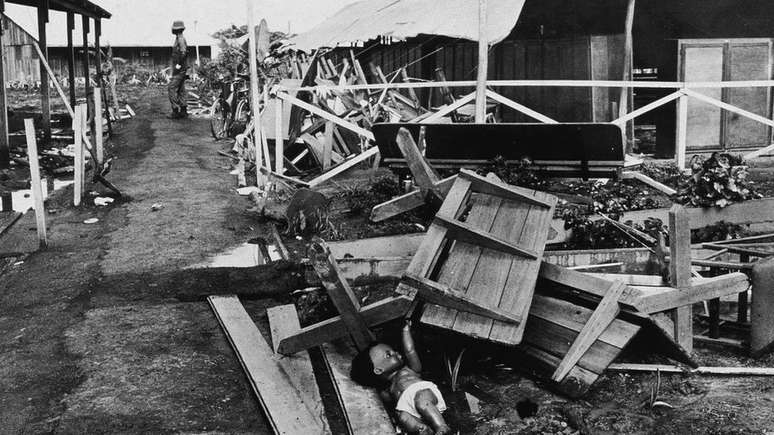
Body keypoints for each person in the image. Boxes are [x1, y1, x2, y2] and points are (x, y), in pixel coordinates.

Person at [351, 321, 451, 435]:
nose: (396, 353)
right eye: (389, 354)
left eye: (393, 351)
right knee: (403, 416)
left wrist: (405, 331)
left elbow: (410, 350)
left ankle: (442, 427)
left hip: (425, 395)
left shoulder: (410, 370)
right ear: (378, 370)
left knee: (421, 400)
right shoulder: (388, 390)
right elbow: (386, 402)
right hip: (409, 408)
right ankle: (422, 429)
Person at [167, 20, 188, 119]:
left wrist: (179, 64)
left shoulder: (180, 39)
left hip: (180, 69)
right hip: (181, 69)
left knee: (171, 88)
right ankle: (183, 111)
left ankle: (175, 111)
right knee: (181, 89)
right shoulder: (178, 39)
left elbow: (184, 53)